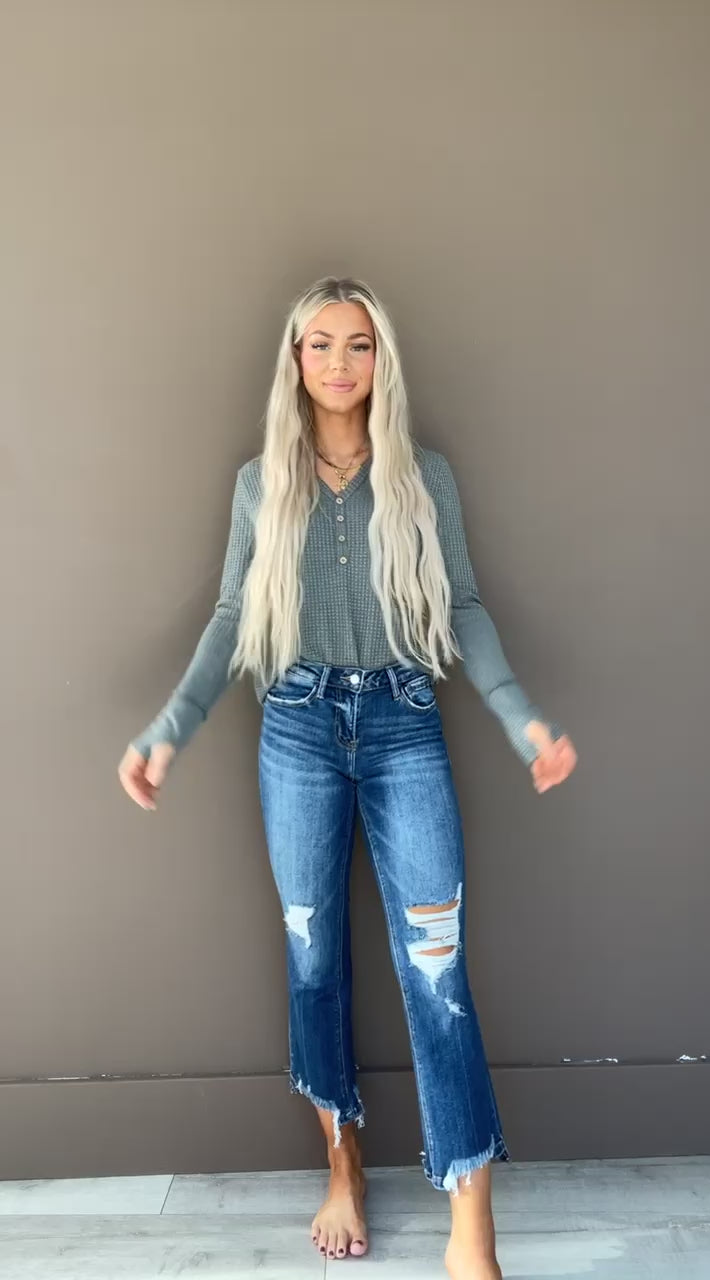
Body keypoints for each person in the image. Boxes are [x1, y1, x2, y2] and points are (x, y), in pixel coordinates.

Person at [118, 275, 577, 1280]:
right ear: (296, 359)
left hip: (405, 723)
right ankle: (343, 1161)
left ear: (381, 360)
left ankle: (472, 1222)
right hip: (296, 728)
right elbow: (233, 618)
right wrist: (169, 729)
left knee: (437, 968)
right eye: (320, 343)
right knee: (314, 960)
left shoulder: (424, 477)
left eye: (358, 344)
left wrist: (521, 718)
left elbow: (463, 607)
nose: (339, 362)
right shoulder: (261, 484)